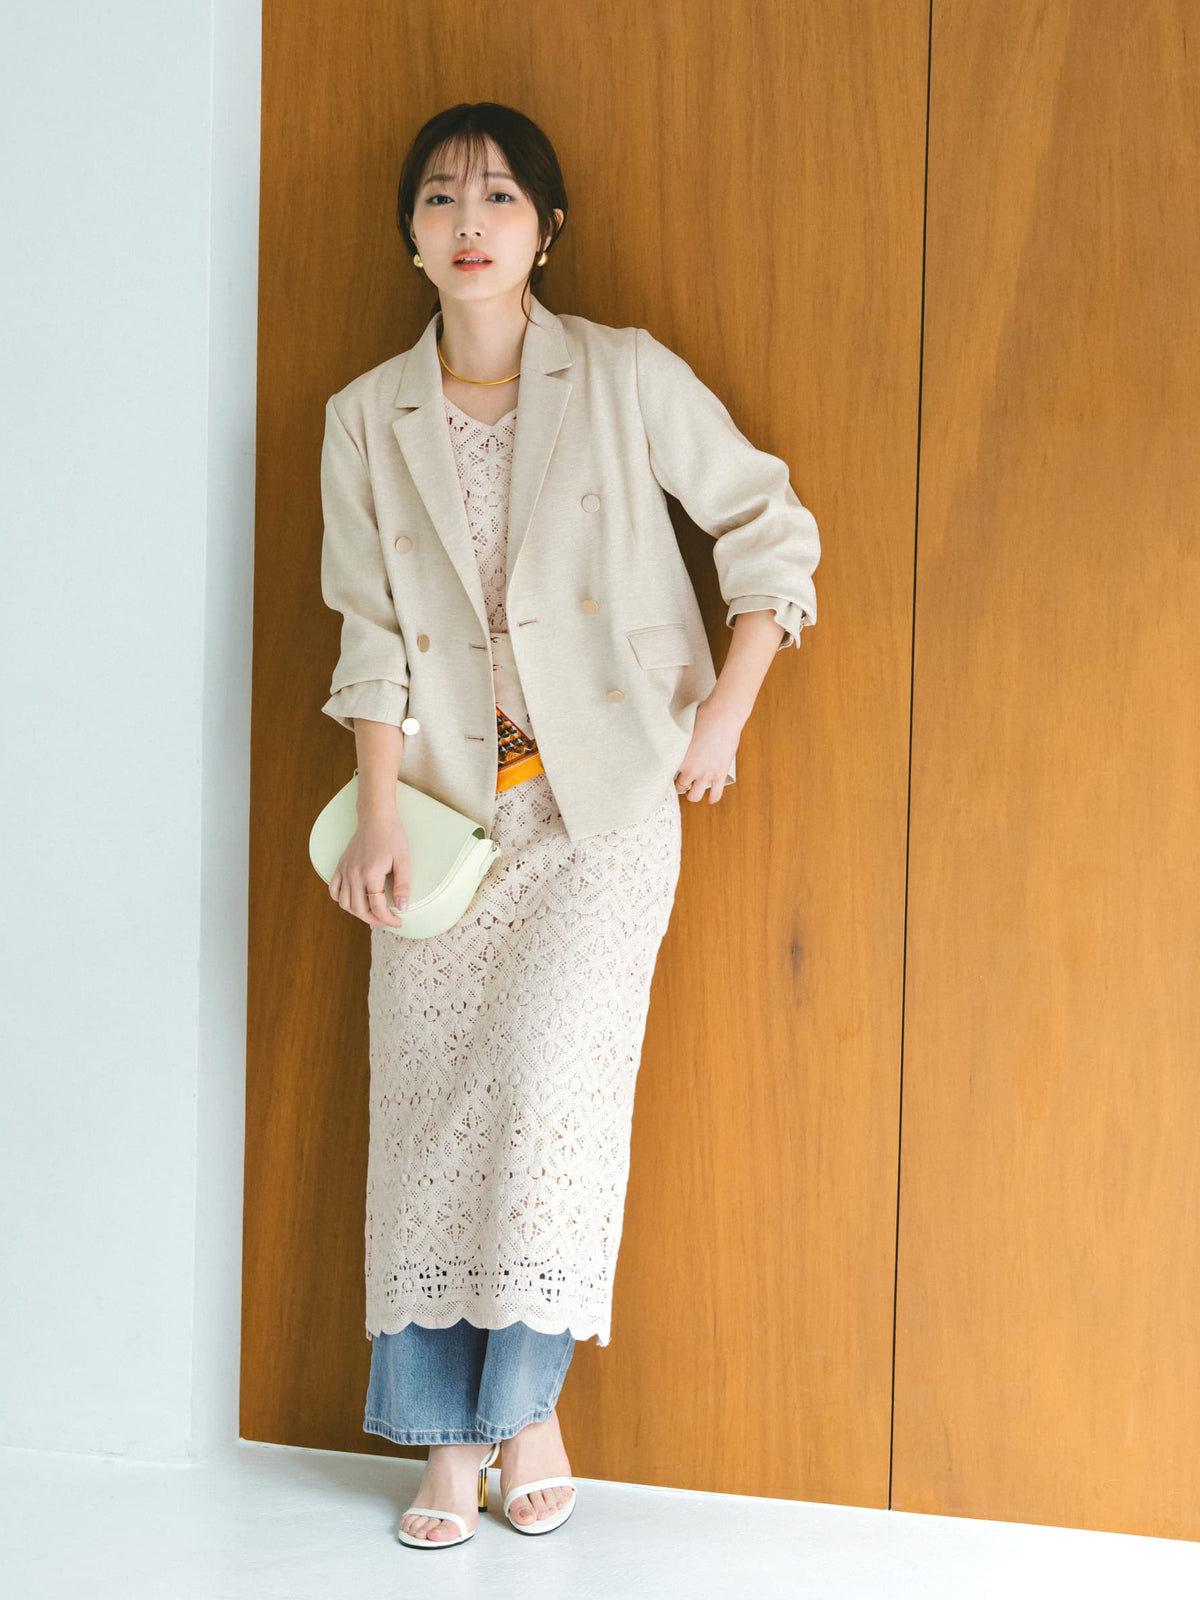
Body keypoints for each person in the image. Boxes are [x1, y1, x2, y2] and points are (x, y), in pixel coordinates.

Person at [319, 101, 820, 1548]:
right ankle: (450, 1436)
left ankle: (517, 1414)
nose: (468, 221)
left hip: (601, 810)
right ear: (411, 239)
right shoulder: (364, 416)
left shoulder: (621, 373)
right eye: (439, 198)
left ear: (547, 230)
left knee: (550, 1099)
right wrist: (374, 809)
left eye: (498, 197)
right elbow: (370, 633)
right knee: (428, 1116)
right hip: (443, 817)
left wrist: (723, 714)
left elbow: (772, 529)